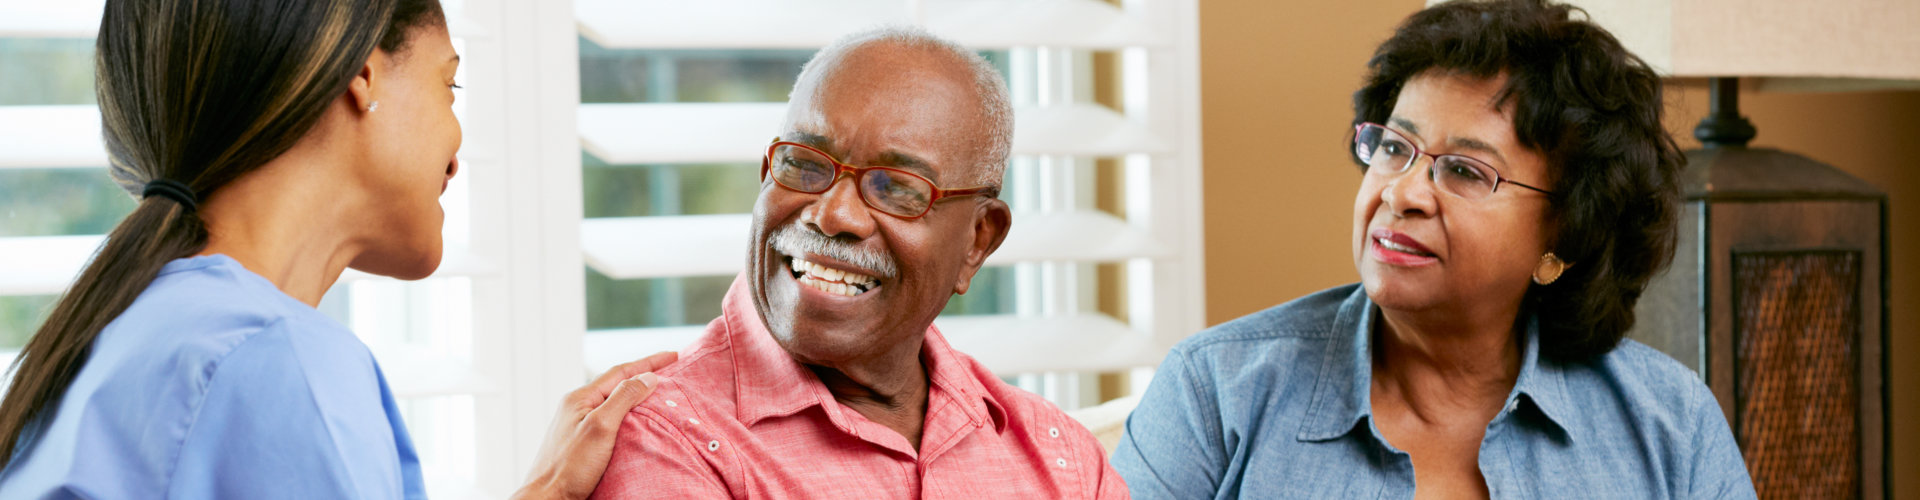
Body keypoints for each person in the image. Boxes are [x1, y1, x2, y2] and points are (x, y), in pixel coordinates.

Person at [0, 1, 669, 498]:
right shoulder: (278, 361)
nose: (457, 149)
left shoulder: (115, 337)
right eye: (449, 85)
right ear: (364, 75)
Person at [1112, 0, 1758, 498]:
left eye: (1466, 171)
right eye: (1394, 148)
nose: (1403, 193)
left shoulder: (1670, 423)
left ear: (1564, 239)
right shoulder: (1216, 391)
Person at [589, 27, 1126, 499]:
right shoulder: (665, 439)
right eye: (804, 163)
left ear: (977, 242)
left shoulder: (1062, 459)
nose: (833, 214)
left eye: (896, 188)